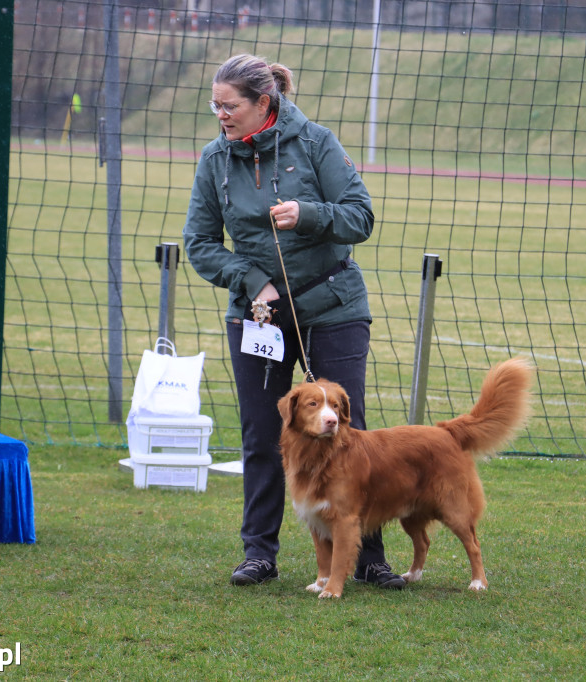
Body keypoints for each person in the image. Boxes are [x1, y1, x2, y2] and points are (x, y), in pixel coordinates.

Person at [183, 54, 405, 590]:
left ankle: (369, 555)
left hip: (332, 306)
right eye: (215, 105)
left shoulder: (315, 142)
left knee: (347, 432)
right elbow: (200, 243)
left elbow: (360, 216)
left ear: (264, 103)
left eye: (229, 105)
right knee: (263, 434)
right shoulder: (215, 160)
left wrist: (309, 213)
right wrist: (250, 278)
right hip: (259, 316)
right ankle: (259, 552)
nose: (220, 115)